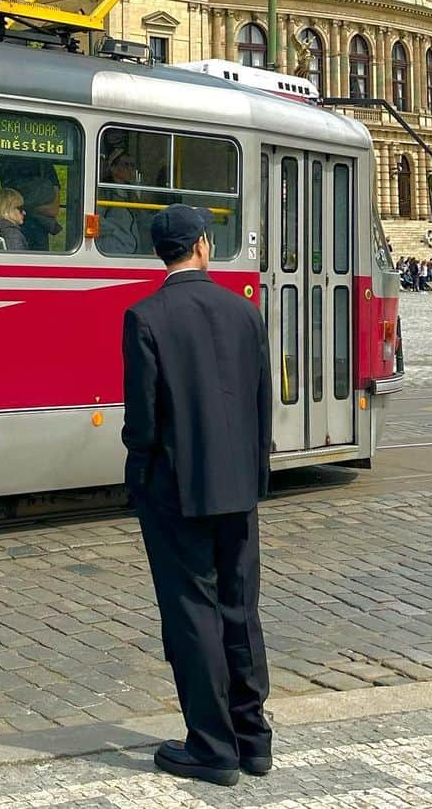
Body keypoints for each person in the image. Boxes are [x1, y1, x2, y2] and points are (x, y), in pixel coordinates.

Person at [122, 204, 273, 787]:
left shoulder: (144, 316)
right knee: (240, 609)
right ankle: (253, 737)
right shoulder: (244, 311)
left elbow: (143, 420)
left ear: (161, 253)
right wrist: (256, 472)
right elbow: (261, 402)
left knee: (192, 614)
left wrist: (138, 479)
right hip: (239, 486)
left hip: (175, 490)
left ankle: (212, 746)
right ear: (204, 247)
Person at [21, 177, 62, 252]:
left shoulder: (47, 171)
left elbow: (53, 210)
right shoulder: (12, 232)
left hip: (39, 229)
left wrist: (29, 208)